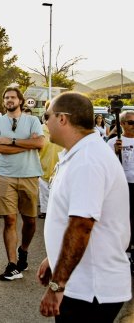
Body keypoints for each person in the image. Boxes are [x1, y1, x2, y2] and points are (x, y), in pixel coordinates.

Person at [38, 92, 131, 321]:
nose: (45, 122)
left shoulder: (88, 160)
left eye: (47, 116)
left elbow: (82, 226)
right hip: (82, 282)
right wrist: (53, 256)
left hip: (90, 289)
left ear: (62, 119)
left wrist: (57, 286)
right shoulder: (78, 154)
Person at [0, 86, 44, 282]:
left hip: (30, 175)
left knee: (30, 221)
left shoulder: (32, 120)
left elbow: (39, 144)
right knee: (10, 220)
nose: (9, 100)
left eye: (13, 97)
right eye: (6, 98)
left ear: (20, 101)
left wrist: (11, 141)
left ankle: (24, 250)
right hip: (5, 176)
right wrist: (24, 144)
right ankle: (12, 265)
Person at [107, 110, 134, 258]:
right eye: (131, 122)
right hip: (123, 185)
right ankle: (126, 250)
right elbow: (107, 165)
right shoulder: (113, 142)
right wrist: (116, 153)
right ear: (122, 124)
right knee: (125, 218)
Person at [38, 102, 63, 220]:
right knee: (44, 193)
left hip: (61, 169)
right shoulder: (40, 130)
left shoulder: (63, 128)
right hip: (43, 166)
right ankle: (44, 212)